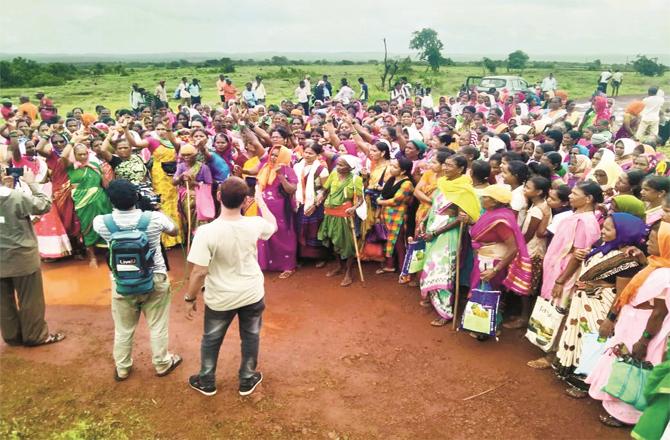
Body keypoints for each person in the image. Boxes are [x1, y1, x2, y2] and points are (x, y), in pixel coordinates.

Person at [184, 177, 277, 397]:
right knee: (251, 334)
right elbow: (272, 225)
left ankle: (206, 379)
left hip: (221, 297)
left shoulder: (206, 232)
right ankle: (247, 378)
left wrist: (190, 298)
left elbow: (199, 271)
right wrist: (262, 202)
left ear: (218, 196)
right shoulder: (254, 224)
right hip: (252, 293)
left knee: (212, 338)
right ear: (246, 201)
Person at [92, 179, 182, 381]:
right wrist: (154, 210)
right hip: (155, 277)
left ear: (111, 200)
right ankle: (162, 363)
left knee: (123, 328)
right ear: (137, 197)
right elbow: (174, 229)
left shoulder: (101, 222)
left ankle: (122, 367)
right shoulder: (154, 218)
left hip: (121, 281)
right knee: (157, 325)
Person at [587, 221, 670, 428]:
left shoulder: (666, 274)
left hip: (643, 326)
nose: (647, 243)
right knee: (621, 359)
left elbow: (659, 312)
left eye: (653, 240)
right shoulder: (656, 265)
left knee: (635, 365)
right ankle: (613, 400)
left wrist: (645, 340)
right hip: (632, 321)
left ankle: (627, 414)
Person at [555, 213, 646, 397]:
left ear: (623, 233)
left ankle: (585, 383)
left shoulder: (628, 259)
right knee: (580, 337)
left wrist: (610, 320)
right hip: (584, 302)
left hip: (601, 306)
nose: (602, 231)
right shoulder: (601, 248)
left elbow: (621, 295)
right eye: (603, 226)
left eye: (608, 228)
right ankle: (571, 372)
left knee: (593, 342)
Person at [528, 181, 602, 369]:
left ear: (588, 198)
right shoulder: (575, 216)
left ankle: (552, 355)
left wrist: (561, 280)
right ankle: (548, 347)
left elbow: (577, 256)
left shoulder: (584, 222)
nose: (569, 196)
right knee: (553, 308)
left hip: (565, 274)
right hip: (556, 270)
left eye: (574, 193)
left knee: (559, 311)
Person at [0, 168, 65, 347]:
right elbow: (44, 205)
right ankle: (35, 335)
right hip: (22, 257)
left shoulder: (12, 196)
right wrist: (32, 183)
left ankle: (12, 336)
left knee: (3, 301)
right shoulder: (15, 197)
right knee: (30, 299)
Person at [419, 153, 482, 326]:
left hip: (447, 235)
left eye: (450, 165)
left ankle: (446, 312)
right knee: (430, 266)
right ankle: (433, 299)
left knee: (443, 270)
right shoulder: (443, 183)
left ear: (461, 169)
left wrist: (437, 231)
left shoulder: (464, 189)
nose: (445, 168)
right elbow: (435, 206)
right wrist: (425, 220)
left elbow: (460, 219)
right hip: (433, 229)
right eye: (445, 164)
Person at [62, 142, 113, 266]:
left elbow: (104, 184)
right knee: (87, 227)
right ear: (74, 155)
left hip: (102, 200)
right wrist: (73, 140)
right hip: (84, 203)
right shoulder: (70, 167)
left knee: (107, 225)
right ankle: (92, 257)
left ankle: (112, 254)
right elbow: (63, 157)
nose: (84, 157)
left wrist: (101, 173)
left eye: (85, 154)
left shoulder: (94, 164)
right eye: (80, 154)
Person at [316, 155, 364, 287]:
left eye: (342, 165)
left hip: (344, 214)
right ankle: (339, 266)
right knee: (332, 240)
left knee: (347, 244)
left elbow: (360, 199)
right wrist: (320, 195)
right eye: (337, 164)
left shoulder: (356, 179)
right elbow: (326, 190)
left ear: (350, 167)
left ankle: (348, 272)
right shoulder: (333, 175)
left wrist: (354, 208)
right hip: (329, 213)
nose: (338, 167)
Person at [256, 143, 298, 279]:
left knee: (282, 235)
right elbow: (259, 185)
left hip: (280, 209)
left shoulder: (287, 170)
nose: (273, 157)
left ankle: (288, 266)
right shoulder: (265, 167)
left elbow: (292, 189)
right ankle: (268, 264)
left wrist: (280, 176)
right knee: (266, 235)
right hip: (263, 207)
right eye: (272, 154)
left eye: (277, 155)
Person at [375, 158, 415, 274]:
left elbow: (396, 200)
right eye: (391, 165)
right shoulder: (392, 179)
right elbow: (384, 195)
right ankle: (390, 265)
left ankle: (403, 268)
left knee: (398, 242)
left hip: (398, 216)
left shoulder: (407, 183)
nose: (391, 168)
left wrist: (380, 202)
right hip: (387, 215)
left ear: (403, 171)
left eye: (395, 167)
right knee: (389, 240)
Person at [293, 142, 329, 266]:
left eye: (310, 153)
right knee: (301, 229)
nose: (307, 155)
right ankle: (303, 257)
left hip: (315, 204)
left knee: (315, 230)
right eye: (305, 152)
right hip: (300, 203)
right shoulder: (298, 167)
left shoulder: (321, 170)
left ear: (318, 155)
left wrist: (315, 204)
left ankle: (319, 257)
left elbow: (326, 189)